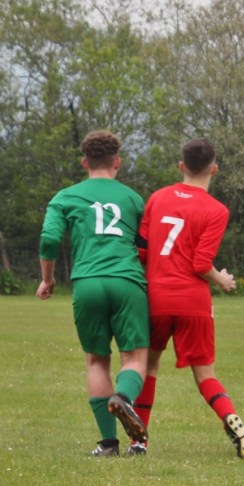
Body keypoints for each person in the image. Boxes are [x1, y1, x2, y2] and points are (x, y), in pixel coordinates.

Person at [130, 139, 244, 461]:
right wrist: (222, 279)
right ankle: (235, 424)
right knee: (206, 375)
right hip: (193, 303)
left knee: (148, 368)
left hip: (157, 299)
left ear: (181, 166)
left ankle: (138, 442)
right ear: (214, 169)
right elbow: (201, 264)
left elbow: (141, 251)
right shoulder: (217, 210)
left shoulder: (158, 198)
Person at [36, 130, 149, 456]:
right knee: (134, 357)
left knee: (97, 360)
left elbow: (48, 240)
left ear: (85, 162)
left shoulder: (65, 197)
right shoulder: (132, 199)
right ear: (117, 162)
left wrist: (47, 279)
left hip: (87, 283)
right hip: (127, 282)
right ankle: (123, 398)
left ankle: (108, 444)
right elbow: (147, 245)